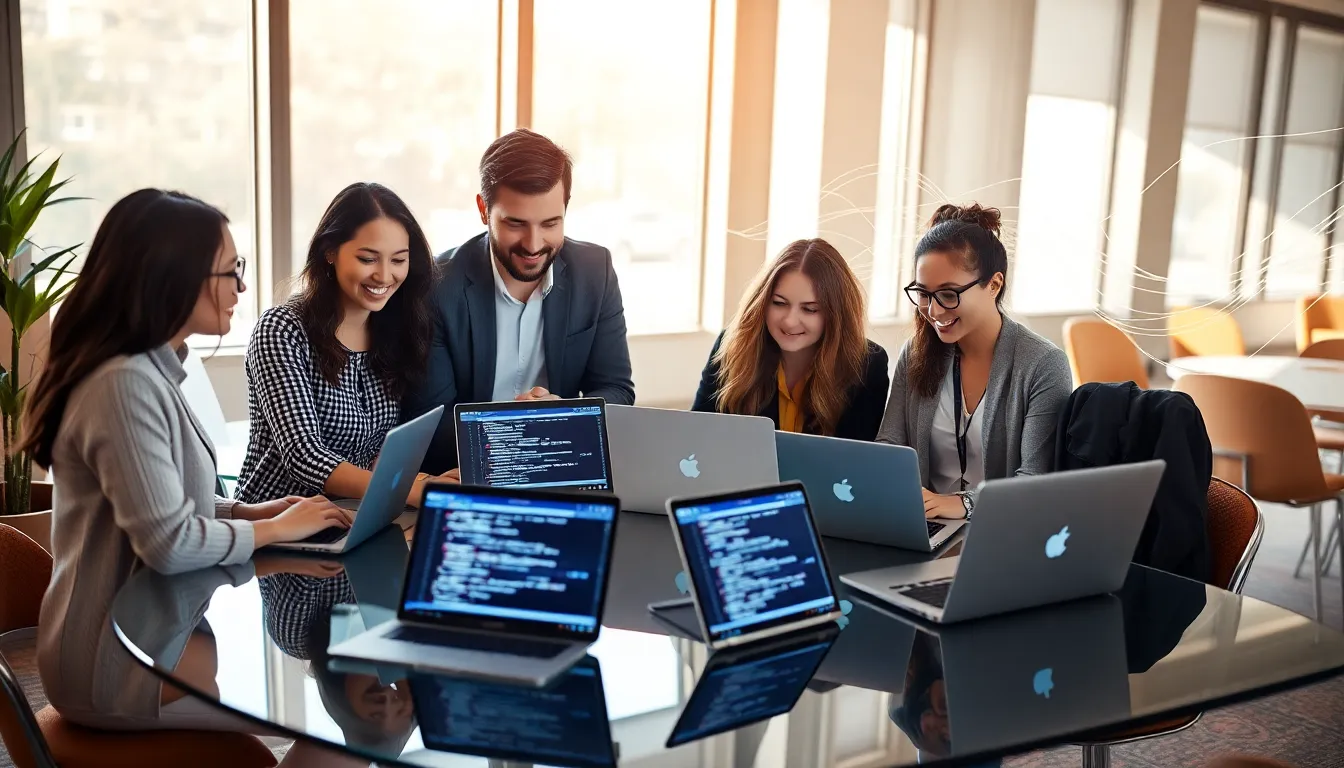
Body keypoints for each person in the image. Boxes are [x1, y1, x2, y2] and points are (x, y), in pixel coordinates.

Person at [20, 189, 353, 761]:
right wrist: (273, 532)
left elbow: (160, 505)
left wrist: (252, 513)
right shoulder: (123, 385)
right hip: (111, 661)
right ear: (174, 278)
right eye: (231, 271)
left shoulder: (150, 371)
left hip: (141, 635)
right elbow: (168, 543)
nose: (241, 288)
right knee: (338, 731)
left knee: (324, 717)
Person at [403, 128, 635, 473]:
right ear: (484, 210)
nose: (533, 243)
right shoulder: (435, 286)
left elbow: (617, 391)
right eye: (515, 224)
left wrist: (563, 412)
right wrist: (539, 431)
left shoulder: (595, 271)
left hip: (563, 471)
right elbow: (433, 424)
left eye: (550, 223)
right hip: (467, 476)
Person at [236, 182, 450, 507]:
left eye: (398, 260)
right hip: (274, 527)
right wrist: (409, 489)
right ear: (330, 252)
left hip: (355, 517)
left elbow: (383, 449)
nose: (384, 275)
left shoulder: (395, 329)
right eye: (368, 259)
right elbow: (304, 455)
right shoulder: (282, 329)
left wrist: (421, 478)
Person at [877, 203, 1072, 521]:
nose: (935, 311)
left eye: (949, 294)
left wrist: (966, 503)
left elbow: (1036, 482)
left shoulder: (1043, 364)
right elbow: (889, 443)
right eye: (924, 294)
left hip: (1001, 528)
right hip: (922, 522)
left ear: (994, 285)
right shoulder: (916, 352)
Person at [692, 238, 889, 440]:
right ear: (762, 302)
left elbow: (857, 461)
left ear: (836, 315)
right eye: (779, 303)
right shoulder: (733, 346)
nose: (790, 321)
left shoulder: (867, 366)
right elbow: (694, 437)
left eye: (810, 309)